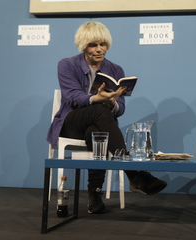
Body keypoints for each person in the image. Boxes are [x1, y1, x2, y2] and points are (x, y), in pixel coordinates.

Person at [47, 21, 167, 214]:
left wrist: (112, 103)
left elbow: (120, 110)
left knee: (98, 132)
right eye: (93, 45)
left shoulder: (116, 70)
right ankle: (134, 174)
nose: (99, 49)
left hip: (98, 124)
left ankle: (95, 196)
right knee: (99, 110)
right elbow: (72, 98)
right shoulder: (67, 64)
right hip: (71, 123)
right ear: (83, 45)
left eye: (102, 44)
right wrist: (96, 98)